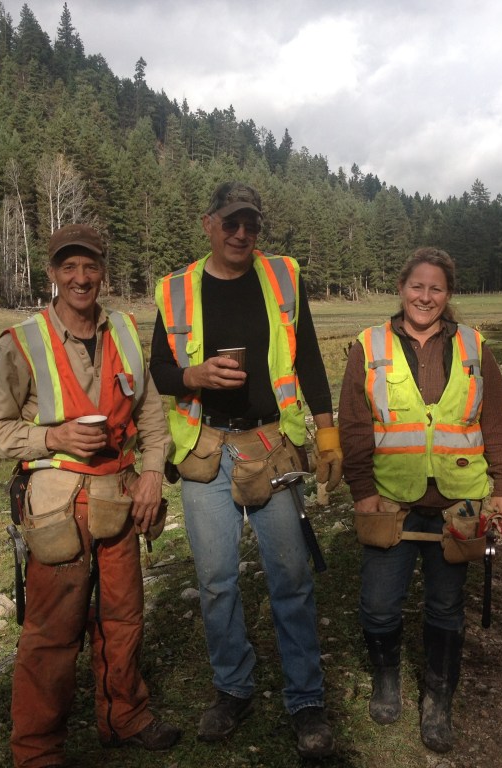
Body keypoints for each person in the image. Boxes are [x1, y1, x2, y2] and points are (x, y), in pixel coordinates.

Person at [149, 181, 343, 759]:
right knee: (216, 582)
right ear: (208, 224)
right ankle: (233, 686)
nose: (241, 234)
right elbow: (160, 371)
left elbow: (306, 353)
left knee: (290, 577)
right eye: (231, 223)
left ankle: (306, 698)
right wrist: (195, 377)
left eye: (251, 225)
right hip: (207, 448)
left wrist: (327, 435)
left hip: (270, 443)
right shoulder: (177, 289)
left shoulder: (283, 276)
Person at [0, 223, 180, 767]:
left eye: (90, 266)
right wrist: (53, 437)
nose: (81, 277)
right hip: (56, 508)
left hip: (122, 494)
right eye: (69, 267)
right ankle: (38, 752)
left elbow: (153, 420)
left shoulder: (126, 333)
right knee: (50, 633)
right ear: (53, 274)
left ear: (103, 271)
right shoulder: (22, 341)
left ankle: (125, 717)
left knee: (123, 618)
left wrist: (154, 474)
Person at [338, 247, 502, 753]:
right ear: (402, 288)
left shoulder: (473, 347)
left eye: (436, 288)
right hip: (390, 503)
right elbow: (354, 426)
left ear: (448, 294)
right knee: (378, 606)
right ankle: (387, 679)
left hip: (458, 506)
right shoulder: (369, 346)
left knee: (445, 606)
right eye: (417, 286)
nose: (425, 296)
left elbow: (499, 422)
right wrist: (363, 492)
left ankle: (438, 699)